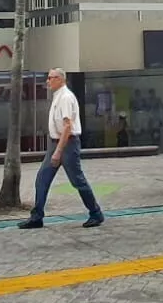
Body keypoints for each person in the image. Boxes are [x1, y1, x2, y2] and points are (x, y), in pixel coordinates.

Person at [20, 68, 104, 230]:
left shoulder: (65, 97)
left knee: (77, 180)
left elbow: (67, 126)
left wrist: (58, 151)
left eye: (50, 78)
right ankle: (36, 217)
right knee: (42, 179)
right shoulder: (58, 96)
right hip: (56, 143)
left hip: (67, 144)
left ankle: (96, 213)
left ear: (60, 79)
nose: (47, 81)